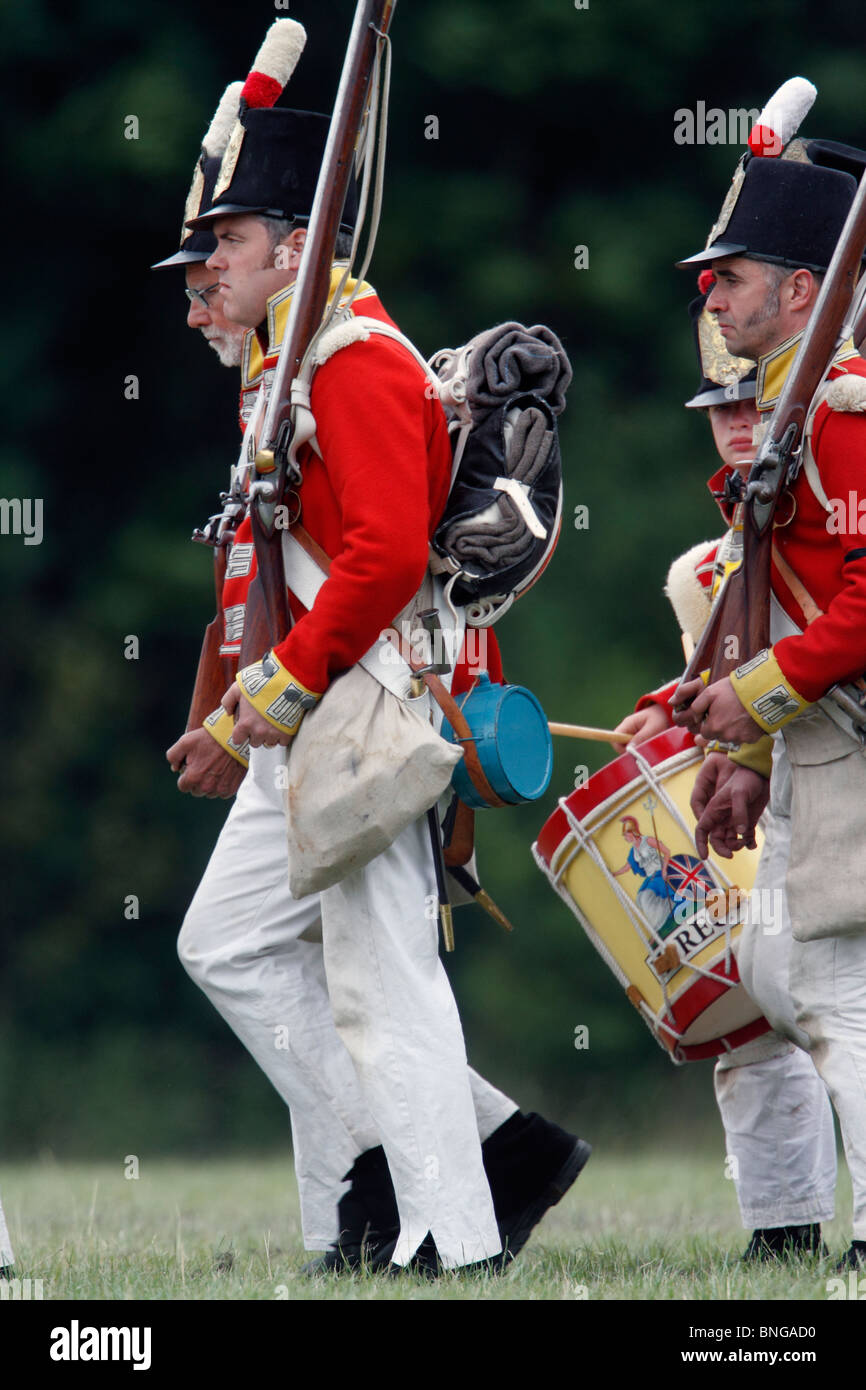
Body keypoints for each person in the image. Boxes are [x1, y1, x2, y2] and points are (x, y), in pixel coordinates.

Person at [167, 49, 589, 1273]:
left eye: (229, 243)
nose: (208, 271)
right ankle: (482, 1154)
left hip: (363, 702)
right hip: (306, 707)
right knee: (228, 946)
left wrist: (278, 690)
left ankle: (456, 1238)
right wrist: (242, 701)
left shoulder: (353, 356)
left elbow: (382, 555)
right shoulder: (284, 366)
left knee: (385, 979)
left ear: (294, 247)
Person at [671, 140, 866, 1271]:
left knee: (837, 991)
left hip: (840, 736)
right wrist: (737, 733)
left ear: (804, 289)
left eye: (733, 273)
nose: (712, 292)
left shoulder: (838, 413)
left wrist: (761, 692)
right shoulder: (798, 412)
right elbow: (775, 599)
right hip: (812, 742)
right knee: (808, 985)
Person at [615, 291, 836, 1259]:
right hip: (788, 801)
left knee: (823, 998)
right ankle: (780, 1227)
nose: (739, 422)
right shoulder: (699, 571)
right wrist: (674, 709)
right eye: (721, 406)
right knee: (751, 999)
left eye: (752, 402)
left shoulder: (832, 487)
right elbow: (737, 672)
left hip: (845, 787)